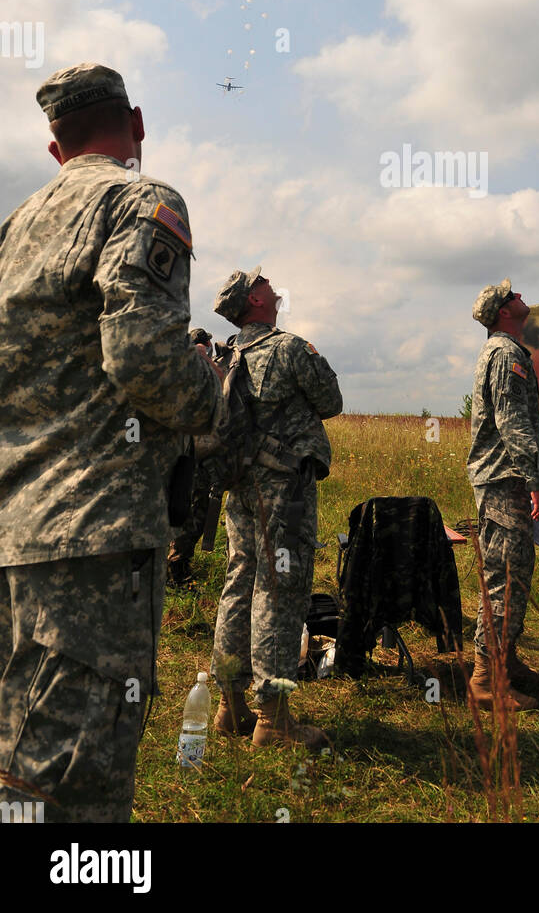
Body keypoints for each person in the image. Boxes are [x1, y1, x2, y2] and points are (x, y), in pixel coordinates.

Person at [0, 63, 224, 823]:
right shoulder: (142, 199)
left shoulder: (18, 224)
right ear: (135, 123)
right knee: (74, 783)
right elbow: (143, 358)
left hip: (13, 529)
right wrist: (213, 402)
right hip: (92, 537)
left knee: (18, 759)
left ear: (55, 149)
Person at [210, 267, 342, 750]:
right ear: (255, 301)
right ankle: (273, 719)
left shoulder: (231, 353)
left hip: (241, 488)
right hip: (282, 492)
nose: (270, 282)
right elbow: (332, 401)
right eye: (261, 281)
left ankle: (230, 705)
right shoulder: (287, 349)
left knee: (240, 584)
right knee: (278, 593)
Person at [466, 280, 539, 710]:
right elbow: (513, 423)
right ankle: (486, 680)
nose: (520, 295)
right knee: (507, 578)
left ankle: (506, 659)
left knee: (515, 572)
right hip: (505, 479)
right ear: (503, 311)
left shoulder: (505, 350)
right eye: (512, 294)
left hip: (504, 477)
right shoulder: (504, 354)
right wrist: (537, 480)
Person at [167, 328, 220, 587]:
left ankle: (177, 564)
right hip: (192, 455)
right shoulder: (192, 368)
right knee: (192, 514)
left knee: (189, 511)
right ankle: (176, 568)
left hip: (192, 452)